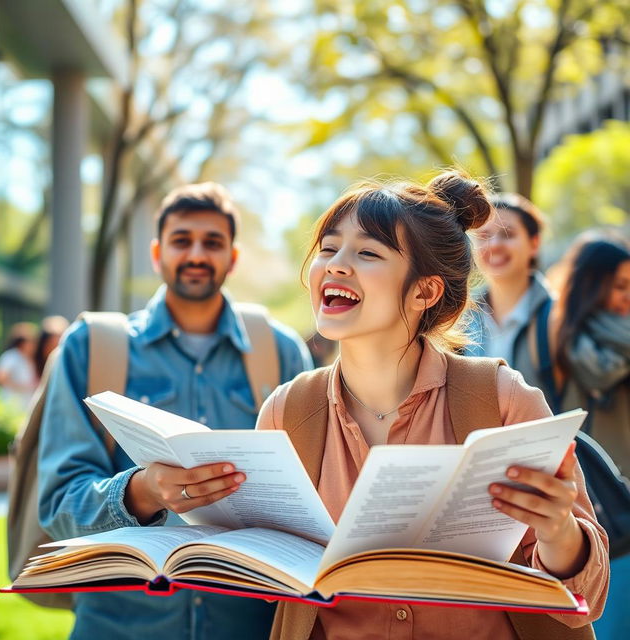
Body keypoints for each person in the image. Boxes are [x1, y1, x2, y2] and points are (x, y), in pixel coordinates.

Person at [256, 172, 608, 639]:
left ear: (426, 291)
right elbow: (268, 579)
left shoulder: (502, 398)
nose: (336, 265)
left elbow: (587, 598)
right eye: (328, 247)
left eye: (367, 252)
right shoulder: (286, 412)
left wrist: (559, 530)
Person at [38, 182, 313, 640]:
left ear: (233, 257)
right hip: (119, 625)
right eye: (182, 240)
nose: (197, 255)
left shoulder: (281, 352)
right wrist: (141, 492)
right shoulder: (90, 349)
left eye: (213, 242)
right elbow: (59, 504)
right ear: (156, 252)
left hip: (249, 623)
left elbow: (311, 496)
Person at [552, 235, 630, 639]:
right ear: (591, 286)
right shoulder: (557, 338)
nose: (626, 298)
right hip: (592, 511)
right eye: (619, 286)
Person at [464, 193, 552, 393]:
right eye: (484, 236)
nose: (494, 245)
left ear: (534, 243)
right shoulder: (459, 322)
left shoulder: (560, 315)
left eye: (508, 234)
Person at [0, 321, 38, 409]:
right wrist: (21, 387)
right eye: (31, 341)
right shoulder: (11, 356)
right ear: (22, 343)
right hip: (12, 402)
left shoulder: (29, 358)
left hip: (26, 403)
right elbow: (0, 377)